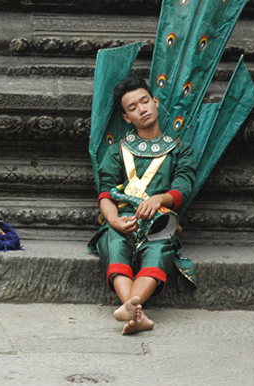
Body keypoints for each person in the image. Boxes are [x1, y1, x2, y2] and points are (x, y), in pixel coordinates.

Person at [88, 76, 196, 335]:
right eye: (133, 107)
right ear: (126, 118)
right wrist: (113, 220)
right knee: (113, 242)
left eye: (145, 101)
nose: (142, 109)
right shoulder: (117, 151)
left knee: (160, 249)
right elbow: (106, 193)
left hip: (160, 219)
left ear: (155, 102)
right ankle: (137, 313)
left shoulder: (180, 149)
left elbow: (183, 187)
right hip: (123, 218)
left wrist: (158, 199)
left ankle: (129, 308)